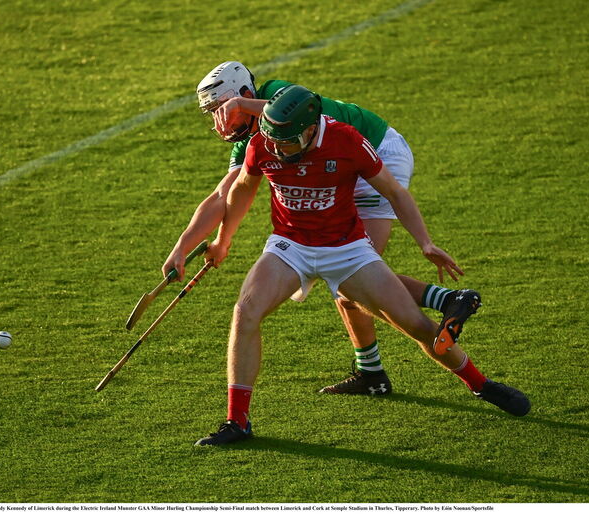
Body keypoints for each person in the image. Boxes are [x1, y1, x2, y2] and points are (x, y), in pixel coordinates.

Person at [194, 85, 530, 446]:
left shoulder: (346, 140)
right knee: (245, 311)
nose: (279, 149)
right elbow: (242, 188)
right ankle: (237, 421)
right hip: (289, 246)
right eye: (274, 141)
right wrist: (222, 240)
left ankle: (481, 385)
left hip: (347, 250)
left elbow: (394, 191)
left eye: (287, 142)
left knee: (415, 326)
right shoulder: (265, 141)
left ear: (311, 129)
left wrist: (426, 243)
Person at [164, 61, 476, 395]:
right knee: (348, 286)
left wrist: (425, 242)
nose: (220, 121)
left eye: (222, 108)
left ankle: (447, 302)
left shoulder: (282, 98)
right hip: (340, 169)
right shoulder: (254, 136)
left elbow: (297, 111)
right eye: (213, 113)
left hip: (380, 155)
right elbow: (224, 194)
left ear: (243, 94)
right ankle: (373, 373)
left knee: (351, 274)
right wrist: (183, 247)